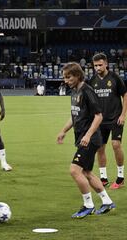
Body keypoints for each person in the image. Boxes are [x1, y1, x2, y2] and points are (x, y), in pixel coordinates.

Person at [57, 62, 115, 219]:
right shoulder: (74, 91)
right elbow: (75, 115)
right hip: (83, 138)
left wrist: (88, 135)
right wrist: (63, 131)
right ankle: (107, 201)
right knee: (86, 172)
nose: (66, 80)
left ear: (77, 76)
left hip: (90, 139)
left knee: (74, 170)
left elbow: (98, 116)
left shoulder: (87, 90)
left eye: (68, 77)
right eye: (64, 77)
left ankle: (88, 205)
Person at [88, 53, 127, 189]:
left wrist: (123, 115)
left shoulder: (115, 78)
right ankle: (103, 178)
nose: (98, 67)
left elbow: (125, 94)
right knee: (100, 148)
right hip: (100, 120)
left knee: (116, 145)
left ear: (106, 64)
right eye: (95, 65)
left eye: (100, 65)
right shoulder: (92, 80)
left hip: (116, 118)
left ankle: (120, 178)